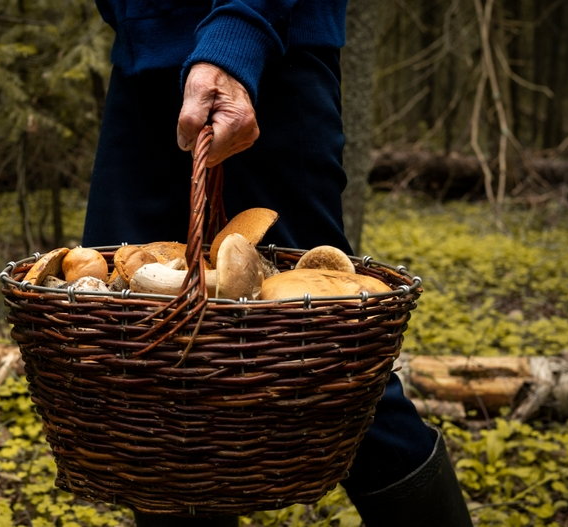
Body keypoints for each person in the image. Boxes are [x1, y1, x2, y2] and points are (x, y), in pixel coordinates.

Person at [80, 2, 473, 526]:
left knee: (331, 358)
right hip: (141, 67)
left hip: (268, 58)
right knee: (156, 369)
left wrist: (238, 34)